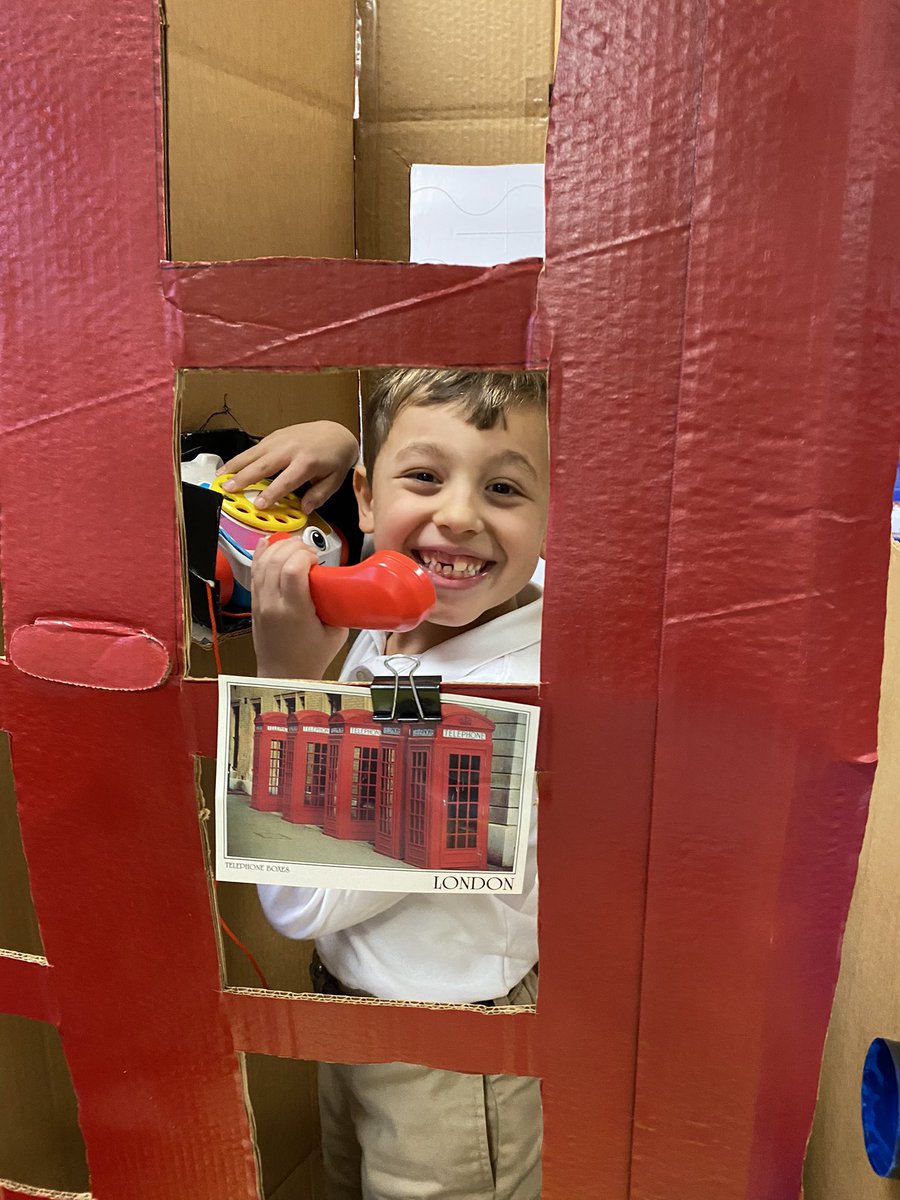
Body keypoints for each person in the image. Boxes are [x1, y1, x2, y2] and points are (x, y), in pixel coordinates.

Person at [249, 369, 548, 1200]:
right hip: (356, 1001)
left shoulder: (487, 705)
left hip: (445, 1062)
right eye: (425, 477)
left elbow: (296, 906)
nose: (457, 513)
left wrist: (287, 683)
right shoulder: (476, 599)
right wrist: (357, 442)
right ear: (366, 499)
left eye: (501, 487)